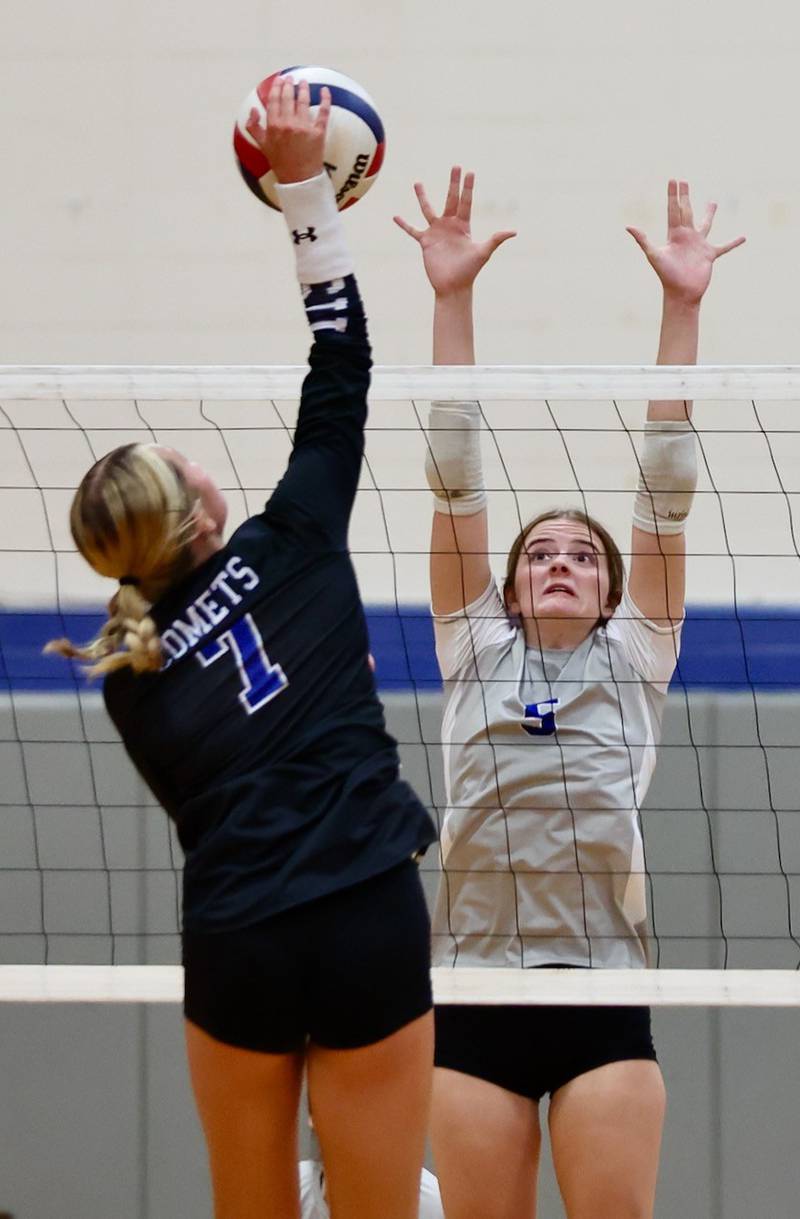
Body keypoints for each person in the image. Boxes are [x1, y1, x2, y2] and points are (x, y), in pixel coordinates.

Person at [47, 78, 436, 1219]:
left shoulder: (130, 668)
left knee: (248, 1208)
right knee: (376, 1207)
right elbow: (342, 362)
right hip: (363, 905)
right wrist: (305, 193)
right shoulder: (295, 540)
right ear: (198, 508)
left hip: (239, 938)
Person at [395, 170, 744, 1219]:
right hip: (471, 998)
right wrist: (449, 299)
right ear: (502, 588)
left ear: (610, 591)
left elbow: (662, 489)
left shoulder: (636, 658)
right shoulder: (471, 648)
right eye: (538, 552)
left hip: (598, 996)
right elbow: (454, 472)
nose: (558, 561)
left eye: (581, 556)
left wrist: (681, 308)